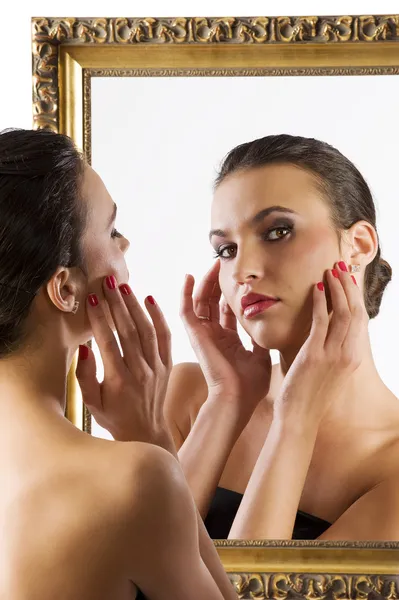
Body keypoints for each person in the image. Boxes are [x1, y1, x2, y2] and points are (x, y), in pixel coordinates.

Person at [0, 129, 238, 600]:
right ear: (66, 289)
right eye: (111, 230)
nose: (125, 243)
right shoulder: (132, 482)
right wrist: (152, 437)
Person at [164, 134, 399, 541]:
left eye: (277, 232)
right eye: (226, 250)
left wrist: (296, 420)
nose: (242, 271)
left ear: (359, 246)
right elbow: (131, 582)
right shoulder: (190, 398)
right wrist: (227, 401)